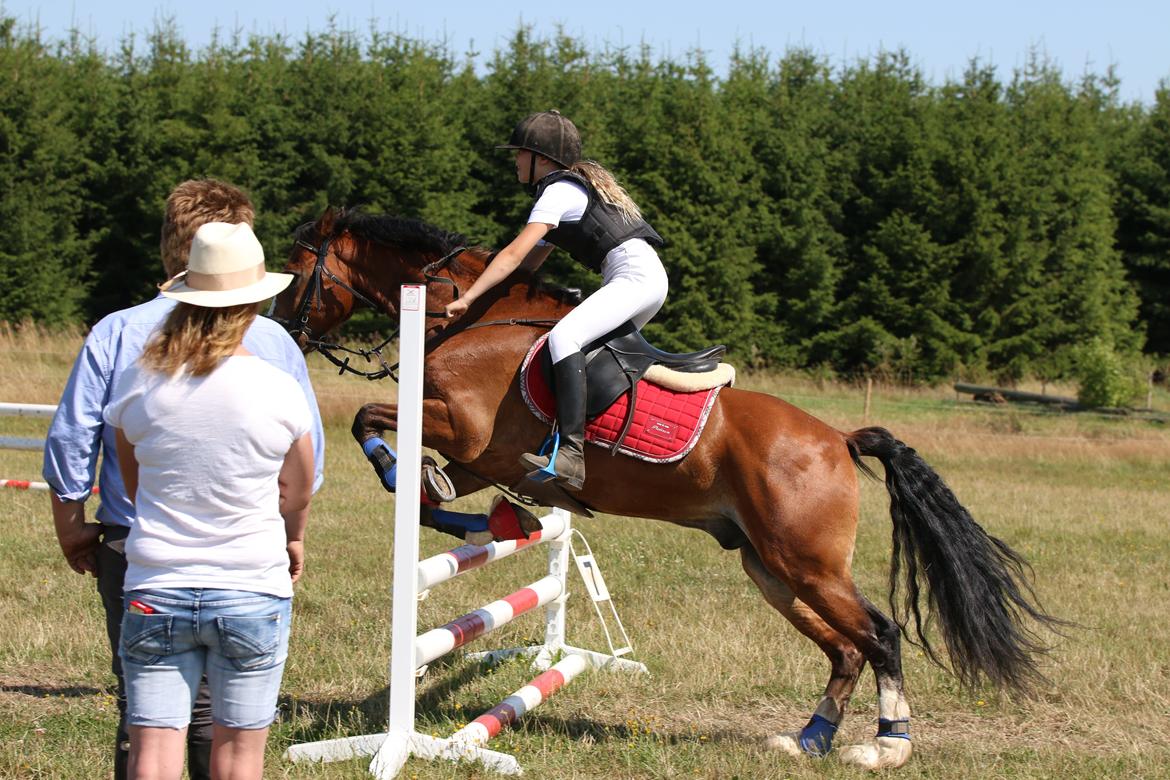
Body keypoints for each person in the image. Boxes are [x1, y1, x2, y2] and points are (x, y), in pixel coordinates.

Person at [43, 179, 325, 780]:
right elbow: (304, 474)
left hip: (144, 556)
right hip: (250, 569)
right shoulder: (277, 354)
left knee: (147, 730)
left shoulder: (125, 347)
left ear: (176, 254)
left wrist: (72, 526)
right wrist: (291, 533)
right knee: (235, 744)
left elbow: (83, 443)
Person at [104, 221, 313, 780]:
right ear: (254, 303)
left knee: (151, 751)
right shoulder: (279, 388)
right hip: (250, 587)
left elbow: (132, 483)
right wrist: (292, 539)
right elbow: (296, 489)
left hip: (155, 586)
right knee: (239, 757)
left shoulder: (140, 381)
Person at [444, 110, 669, 491]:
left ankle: (572, 454)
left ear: (540, 157)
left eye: (519, 153)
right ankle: (572, 443)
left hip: (634, 277)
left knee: (564, 339)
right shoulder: (566, 192)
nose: (514, 160)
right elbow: (530, 265)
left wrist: (469, 297)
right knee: (590, 355)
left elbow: (514, 255)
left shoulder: (558, 192)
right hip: (643, 278)